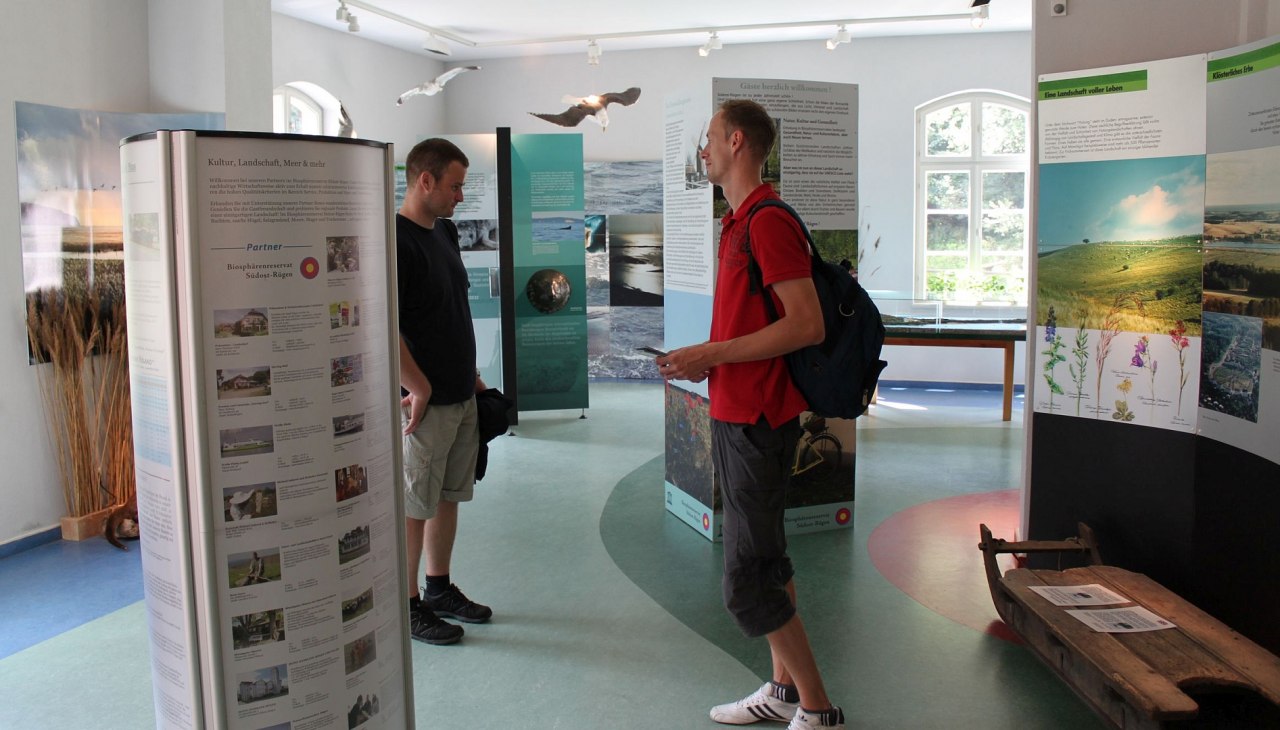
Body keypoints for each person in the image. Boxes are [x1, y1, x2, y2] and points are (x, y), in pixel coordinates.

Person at [658, 99, 845, 730]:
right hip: (736, 410)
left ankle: (818, 710)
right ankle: (783, 692)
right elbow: (753, 322)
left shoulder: (767, 221)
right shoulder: (736, 221)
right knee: (770, 561)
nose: (702, 149)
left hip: (760, 419)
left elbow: (807, 323)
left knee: (748, 581)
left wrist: (713, 352)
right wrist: (708, 361)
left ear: (736, 141)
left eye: (709, 137)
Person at [397, 138, 491, 646]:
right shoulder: (395, 240)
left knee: (449, 495)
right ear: (424, 180)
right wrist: (419, 385)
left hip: (461, 392)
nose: (460, 196)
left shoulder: (446, 234)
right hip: (424, 405)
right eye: (454, 186)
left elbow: (452, 308)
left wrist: (470, 373)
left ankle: (438, 588)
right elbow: (384, 326)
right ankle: (406, 603)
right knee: (416, 503)